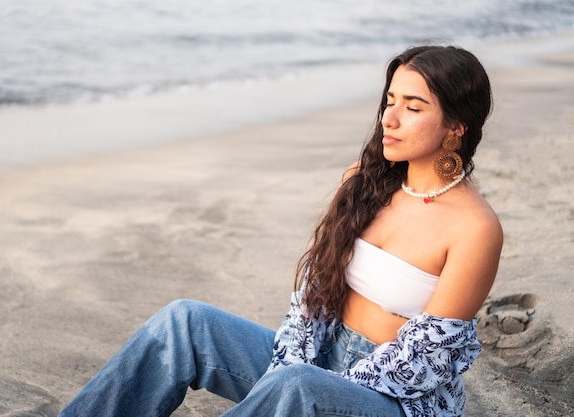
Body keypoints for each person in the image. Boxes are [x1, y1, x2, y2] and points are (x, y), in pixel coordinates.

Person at [57, 45, 503, 417]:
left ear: (455, 128)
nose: (390, 118)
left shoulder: (474, 228)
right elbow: (315, 295)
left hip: (394, 400)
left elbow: (424, 363)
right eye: (390, 101)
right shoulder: (363, 181)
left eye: (413, 106)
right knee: (185, 321)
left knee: (298, 386)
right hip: (314, 357)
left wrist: (314, 379)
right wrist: (295, 362)